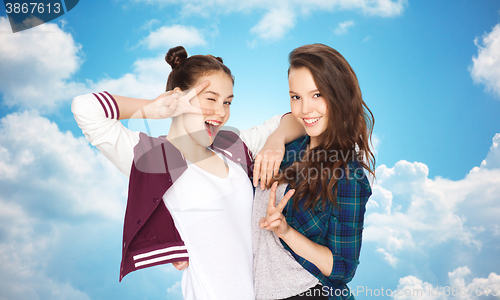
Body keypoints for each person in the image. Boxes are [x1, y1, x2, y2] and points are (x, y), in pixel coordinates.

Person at [71, 46, 303, 300]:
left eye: (227, 102)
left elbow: (298, 118)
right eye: (211, 99)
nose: (222, 112)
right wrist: (155, 108)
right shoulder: (152, 157)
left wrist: (276, 139)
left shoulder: (232, 146)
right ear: (179, 99)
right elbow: (85, 107)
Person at [253, 43, 375, 300]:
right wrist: (277, 137)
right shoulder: (288, 148)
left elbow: (343, 268)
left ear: (339, 95)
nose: (305, 109)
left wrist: (286, 232)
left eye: (317, 95)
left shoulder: (348, 175)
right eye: (296, 96)